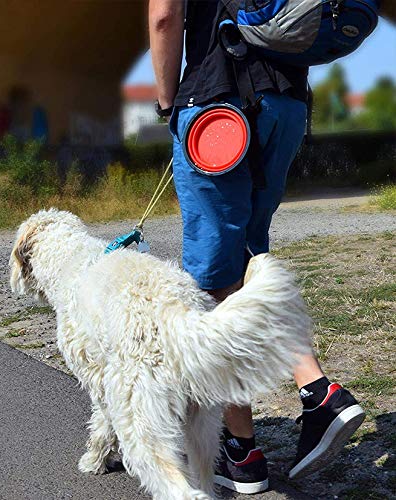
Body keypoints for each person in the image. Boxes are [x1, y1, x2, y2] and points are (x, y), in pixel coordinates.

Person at [148, 0, 374, 494]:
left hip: (219, 107)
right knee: (250, 265)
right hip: (286, 106)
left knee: (215, 285)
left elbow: (165, 16)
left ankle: (258, 439)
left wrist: (168, 103)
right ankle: (296, 409)